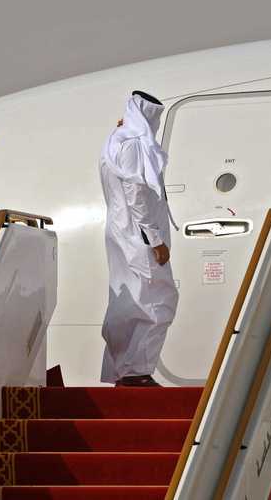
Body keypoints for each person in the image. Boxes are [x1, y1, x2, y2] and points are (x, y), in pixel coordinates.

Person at [99, 90, 180, 387]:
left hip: (122, 231)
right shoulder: (134, 145)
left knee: (129, 302)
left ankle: (123, 370)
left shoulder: (115, 141)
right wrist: (155, 239)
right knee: (158, 300)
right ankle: (138, 372)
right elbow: (136, 193)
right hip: (138, 234)